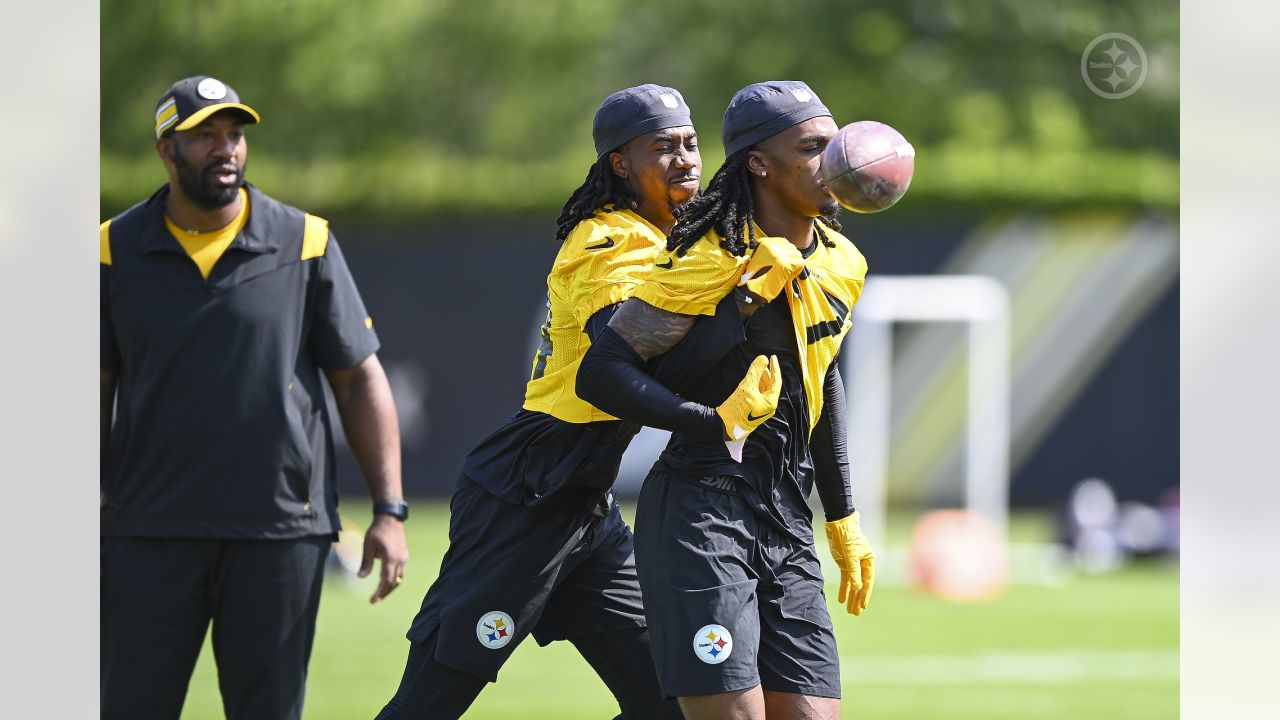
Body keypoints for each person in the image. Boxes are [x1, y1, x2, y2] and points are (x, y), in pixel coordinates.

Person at [377, 84, 774, 720]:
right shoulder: (609, 238)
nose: (685, 159)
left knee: (671, 702)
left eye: (691, 144)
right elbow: (622, 363)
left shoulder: (673, 239)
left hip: (587, 502)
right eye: (662, 147)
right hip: (525, 493)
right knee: (433, 699)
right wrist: (715, 400)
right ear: (620, 163)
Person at [100, 75, 409, 720]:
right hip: (150, 533)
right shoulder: (111, 251)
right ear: (166, 150)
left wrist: (388, 509)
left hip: (278, 534)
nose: (226, 150)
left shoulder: (306, 242)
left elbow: (360, 379)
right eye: (205, 136)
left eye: (235, 135)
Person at [577, 80, 878, 720]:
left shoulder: (843, 261)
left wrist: (842, 515)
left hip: (787, 513)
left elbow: (820, 380)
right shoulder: (705, 255)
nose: (835, 164)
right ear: (759, 163)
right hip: (701, 510)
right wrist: (737, 321)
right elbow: (603, 373)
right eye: (814, 148)